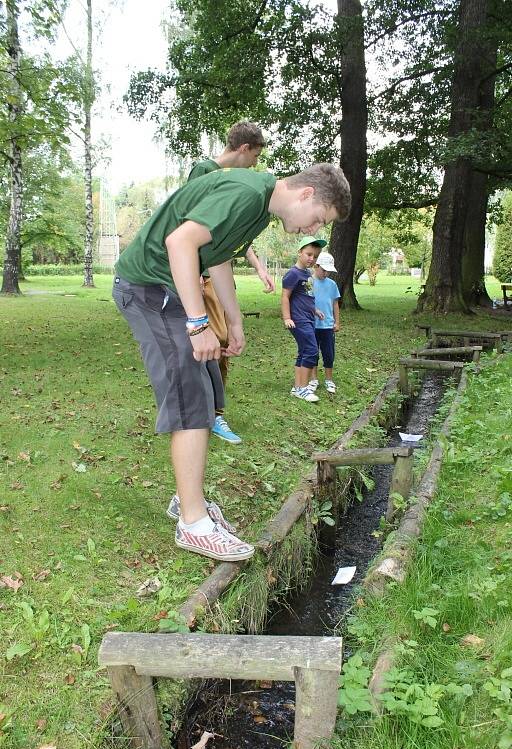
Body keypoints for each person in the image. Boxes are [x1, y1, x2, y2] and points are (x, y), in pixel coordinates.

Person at [113, 163, 351, 561]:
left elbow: (217, 257)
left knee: (205, 390)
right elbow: (181, 243)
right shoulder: (247, 192)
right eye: (318, 219)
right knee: (190, 395)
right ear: (307, 194)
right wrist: (196, 323)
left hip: (167, 290)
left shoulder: (259, 206)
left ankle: (187, 501)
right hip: (149, 290)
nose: (311, 231)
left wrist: (234, 319)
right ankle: (193, 524)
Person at [187, 121, 275, 445]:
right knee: (213, 343)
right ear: (243, 149)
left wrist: (259, 268)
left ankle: (213, 414)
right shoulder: (204, 171)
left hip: (218, 274)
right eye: (255, 156)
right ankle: (206, 416)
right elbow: (191, 225)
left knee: (222, 345)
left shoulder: (228, 180)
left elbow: (232, 236)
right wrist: (193, 274)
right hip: (202, 278)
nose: (255, 164)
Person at [281, 235, 327, 402]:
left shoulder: (307, 273)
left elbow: (306, 296)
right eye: (308, 254)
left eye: (315, 256)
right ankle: (303, 388)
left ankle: (298, 387)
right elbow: (285, 297)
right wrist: (287, 318)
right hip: (298, 320)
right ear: (299, 252)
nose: (311, 258)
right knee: (312, 351)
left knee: (304, 351)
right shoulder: (293, 274)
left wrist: (315, 310)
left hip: (308, 318)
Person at [309, 252, 341, 394]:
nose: (326, 273)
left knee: (328, 353)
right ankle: (313, 379)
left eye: (328, 271)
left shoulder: (332, 284)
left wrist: (337, 322)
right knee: (313, 352)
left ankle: (329, 380)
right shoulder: (309, 282)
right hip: (312, 325)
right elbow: (305, 302)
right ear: (316, 266)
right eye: (323, 270)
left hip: (328, 326)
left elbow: (335, 304)